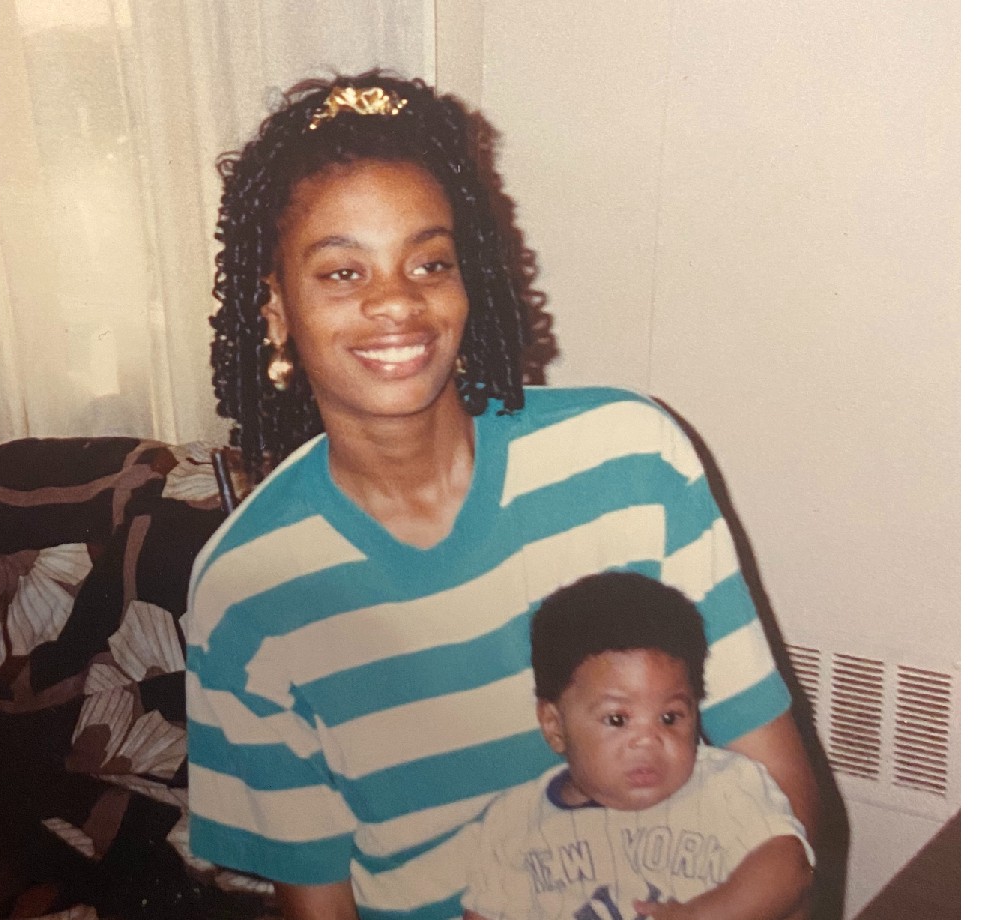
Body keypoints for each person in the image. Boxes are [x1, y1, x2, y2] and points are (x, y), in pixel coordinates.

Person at [185, 70, 818, 920]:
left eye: (430, 261)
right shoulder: (244, 590)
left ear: (467, 279)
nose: (397, 300)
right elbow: (319, 904)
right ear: (273, 309)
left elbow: (783, 802)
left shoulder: (632, 464)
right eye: (342, 272)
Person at [462, 571, 814, 920]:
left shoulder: (725, 787)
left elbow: (789, 867)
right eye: (617, 719)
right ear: (555, 725)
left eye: (670, 717)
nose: (648, 740)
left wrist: (701, 916)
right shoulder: (514, 823)